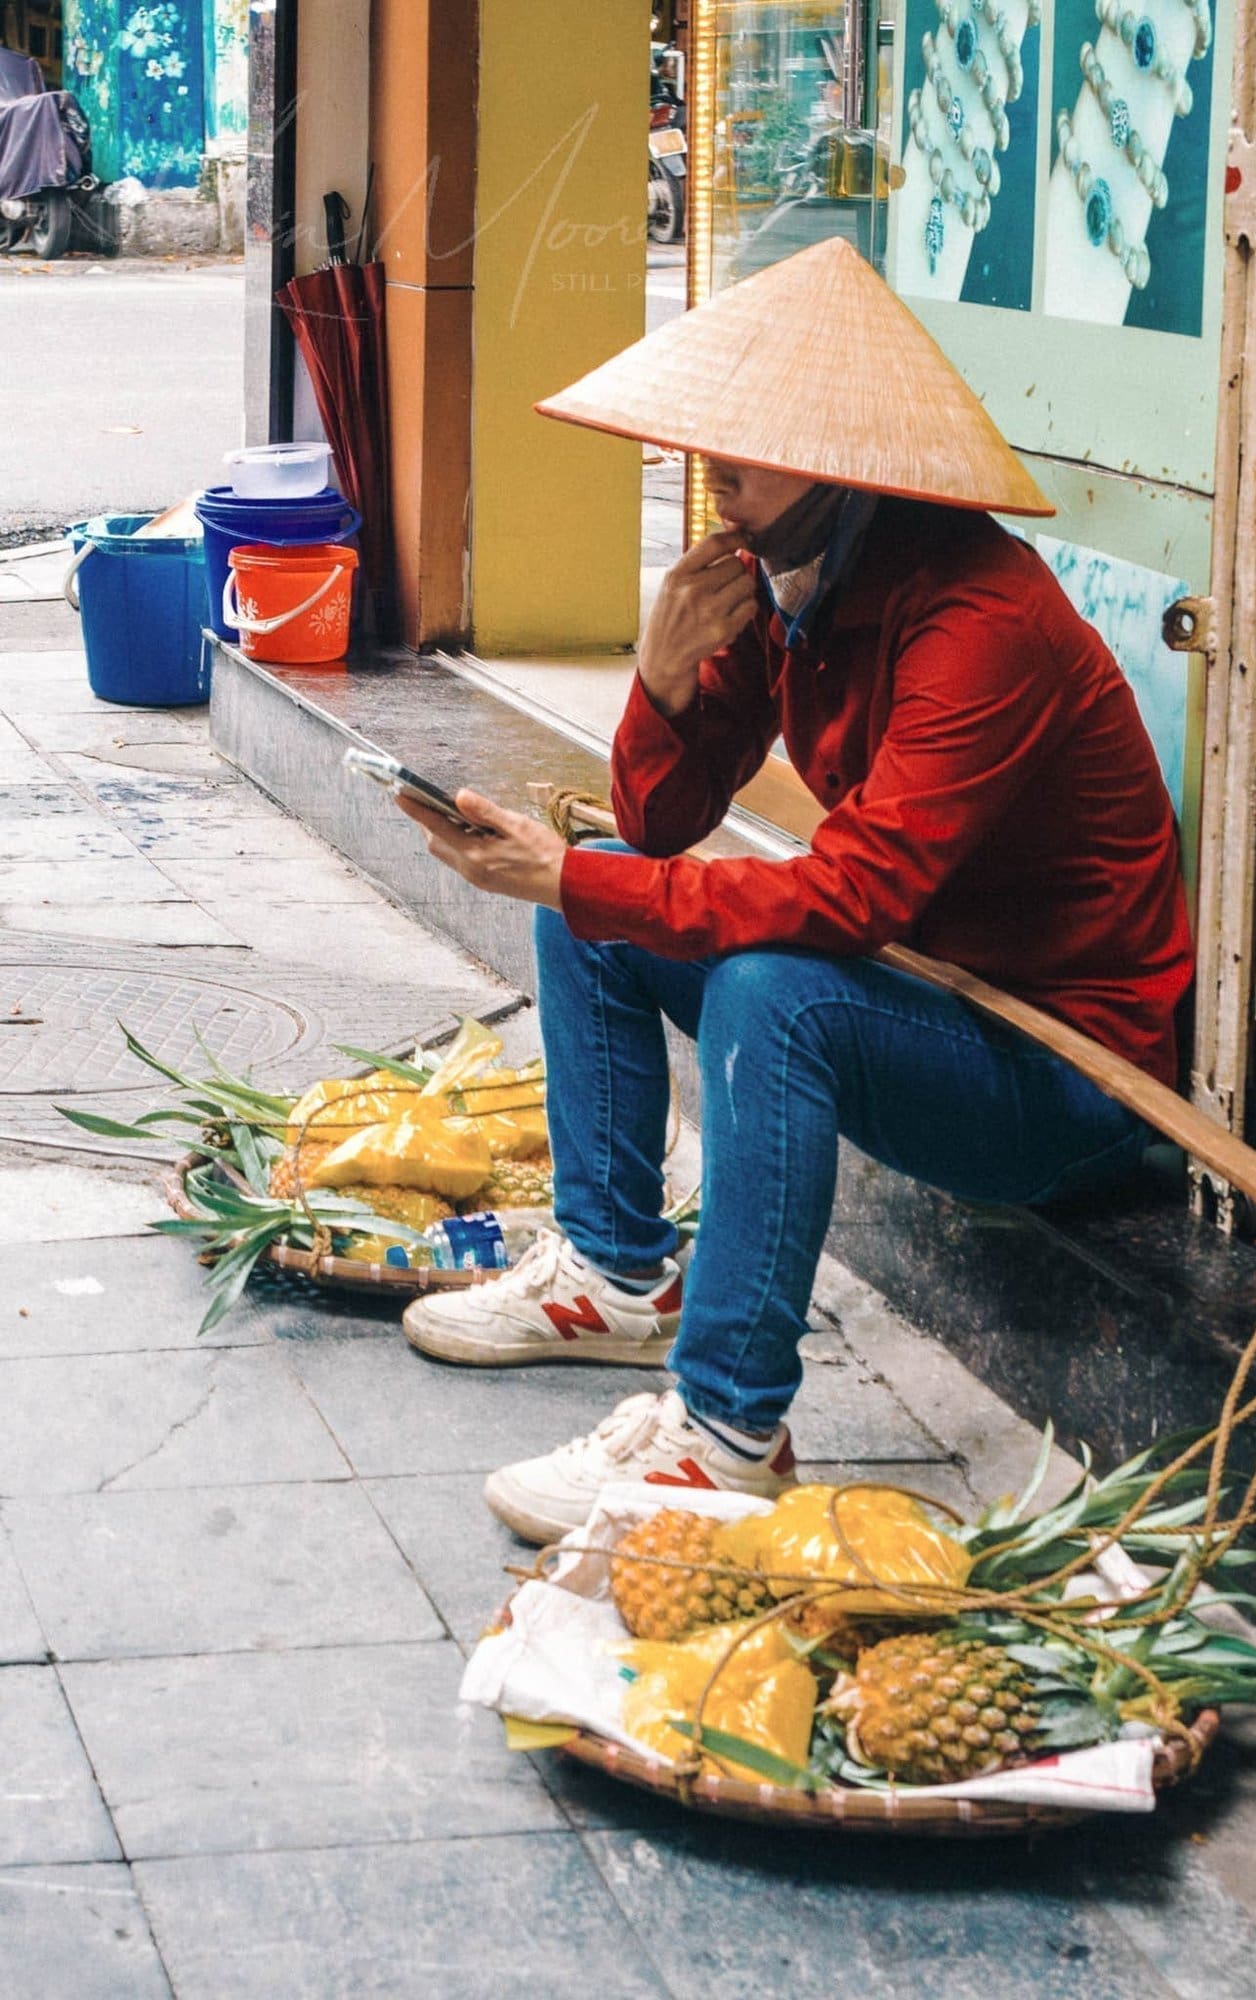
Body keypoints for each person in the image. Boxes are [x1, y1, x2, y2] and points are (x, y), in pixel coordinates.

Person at [394, 238, 1193, 1543]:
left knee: (774, 991)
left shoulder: (976, 626)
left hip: (1065, 1079)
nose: (718, 487)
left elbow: (849, 903)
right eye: (707, 454)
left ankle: (724, 1436)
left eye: (745, 459)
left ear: (835, 463)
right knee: (585, 913)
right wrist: (659, 680)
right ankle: (612, 1278)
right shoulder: (792, 585)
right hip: (936, 998)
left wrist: (592, 871)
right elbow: (660, 826)